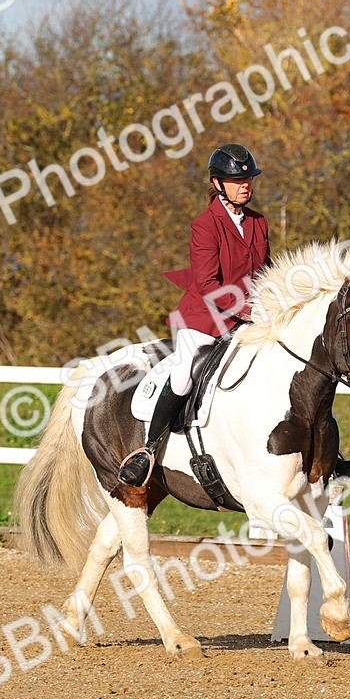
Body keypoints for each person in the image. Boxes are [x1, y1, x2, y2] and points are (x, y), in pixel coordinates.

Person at [117, 143, 271, 487]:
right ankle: (148, 450)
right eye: (235, 180)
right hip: (205, 317)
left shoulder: (259, 223)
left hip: (251, 317)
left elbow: (267, 270)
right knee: (185, 374)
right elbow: (207, 284)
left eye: (248, 180)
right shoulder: (205, 225)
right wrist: (244, 309)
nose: (245, 185)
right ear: (218, 183)